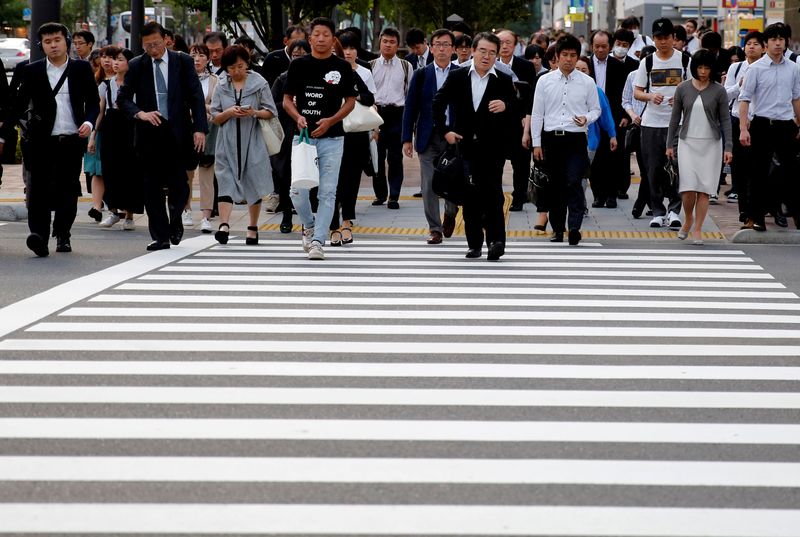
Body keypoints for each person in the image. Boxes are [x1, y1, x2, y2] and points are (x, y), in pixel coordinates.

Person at [117, 21, 207, 251]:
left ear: (165, 39)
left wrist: (199, 128)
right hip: (149, 132)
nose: (153, 49)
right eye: (147, 46)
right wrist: (140, 114)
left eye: (156, 44)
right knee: (151, 187)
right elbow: (123, 98)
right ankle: (160, 235)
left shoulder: (182, 61)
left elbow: (196, 96)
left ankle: (175, 219)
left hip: (177, 131)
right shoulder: (137, 65)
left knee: (179, 185)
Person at [14, 22, 99, 256]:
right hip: (41, 142)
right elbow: (19, 106)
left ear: (66, 42)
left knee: (67, 190)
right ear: (41, 45)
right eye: (48, 42)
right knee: (37, 191)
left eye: (57, 40)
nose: (53, 45)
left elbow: (93, 103)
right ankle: (39, 236)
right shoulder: (32, 71)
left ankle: (63, 234)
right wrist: (23, 129)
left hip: (71, 139)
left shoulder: (81, 69)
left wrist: (89, 123)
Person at [433, 32, 517, 260]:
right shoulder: (458, 76)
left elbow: (517, 111)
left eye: (492, 53)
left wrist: (506, 106)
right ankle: (475, 243)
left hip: (493, 149)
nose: (487, 56)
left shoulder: (503, 79)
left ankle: (497, 241)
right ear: (472, 51)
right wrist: (445, 131)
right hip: (465, 147)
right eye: (482, 51)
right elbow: (437, 103)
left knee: (493, 194)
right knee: (470, 196)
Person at [283, 17, 356, 260]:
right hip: (303, 137)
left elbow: (350, 101)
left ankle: (317, 241)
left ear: (332, 37)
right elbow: (286, 100)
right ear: (310, 37)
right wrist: (298, 116)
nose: (321, 38)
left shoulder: (343, 67)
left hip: (333, 138)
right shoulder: (298, 65)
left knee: (327, 192)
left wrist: (331, 120)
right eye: (317, 34)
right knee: (297, 191)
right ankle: (309, 224)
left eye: (326, 34)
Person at [527, 35, 601, 246]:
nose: (569, 59)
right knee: (555, 186)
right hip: (551, 139)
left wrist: (586, 118)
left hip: (576, 139)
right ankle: (558, 229)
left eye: (573, 55)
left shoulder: (587, 82)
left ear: (578, 57)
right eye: (565, 55)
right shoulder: (544, 80)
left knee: (573, 182)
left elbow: (596, 109)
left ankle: (575, 227)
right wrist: (537, 143)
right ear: (556, 57)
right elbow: (537, 113)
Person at [210, 45, 277, 246]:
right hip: (226, 141)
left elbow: (271, 111)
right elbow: (215, 116)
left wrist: (253, 113)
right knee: (225, 180)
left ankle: (253, 227)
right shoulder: (221, 85)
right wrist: (229, 112)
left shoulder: (259, 83)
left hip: (253, 139)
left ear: (247, 64)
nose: (236, 71)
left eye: (240, 66)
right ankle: (224, 225)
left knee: (252, 181)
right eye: (232, 68)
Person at [666, 50, 732, 245]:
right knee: (687, 189)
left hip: (711, 144)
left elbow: (725, 120)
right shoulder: (682, 88)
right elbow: (674, 118)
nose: (703, 71)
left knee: (704, 189)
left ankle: (697, 228)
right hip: (687, 143)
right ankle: (688, 219)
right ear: (694, 68)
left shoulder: (719, 91)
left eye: (707, 68)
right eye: (700, 67)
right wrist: (670, 144)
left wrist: (728, 147)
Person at [738, 22, 800, 231]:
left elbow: (797, 98)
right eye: (773, 39)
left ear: (786, 42)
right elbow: (744, 99)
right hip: (762, 124)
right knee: (758, 173)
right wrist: (744, 129)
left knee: (791, 172)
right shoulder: (755, 69)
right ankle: (756, 218)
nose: (777, 44)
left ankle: (795, 215)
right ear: (766, 44)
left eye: (781, 39)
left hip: (786, 125)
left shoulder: (794, 68)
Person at [402, 28, 460, 245]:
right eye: (438, 44)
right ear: (431, 47)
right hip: (427, 136)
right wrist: (407, 138)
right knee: (428, 185)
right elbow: (410, 108)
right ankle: (434, 228)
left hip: (453, 136)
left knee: (453, 181)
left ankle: (451, 213)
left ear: (453, 49)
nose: (442, 49)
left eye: (446, 44)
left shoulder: (460, 73)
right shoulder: (421, 74)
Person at [633, 17, 689, 230]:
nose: (662, 42)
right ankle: (657, 211)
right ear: (653, 39)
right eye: (658, 38)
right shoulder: (647, 62)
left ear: (674, 38)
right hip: (651, 124)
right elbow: (637, 92)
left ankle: (675, 211)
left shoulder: (685, 61)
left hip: (678, 124)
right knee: (653, 169)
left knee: (676, 168)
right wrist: (650, 96)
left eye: (666, 37)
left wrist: (682, 98)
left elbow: (695, 88)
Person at [328, 31, 377, 246]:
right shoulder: (310, 72)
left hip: (353, 134)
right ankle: (332, 226)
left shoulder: (347, 71)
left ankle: (347, 222)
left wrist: (352, 95)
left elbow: (369, 97)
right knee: (331, 182)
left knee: (351, 181)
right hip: (327, 132)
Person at [95, 47, 142, 231]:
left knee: (130, 171)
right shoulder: (105, 85)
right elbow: (100, 112)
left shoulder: (136, 85)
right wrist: (93, 137)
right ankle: (113, 211)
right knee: (110, 170)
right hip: (110, 129)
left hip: (131, 128)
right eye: (114, 59)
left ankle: (129, 215)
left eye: (120, 59)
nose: (116, 63)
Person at [587, 30, 633, 207]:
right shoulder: (585, 65)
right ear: (592, 46)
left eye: (604, 46)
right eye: (597, 46)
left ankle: (612, 195)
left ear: (610, 46)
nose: (600, 50)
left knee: (614, 157)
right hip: (591, 117)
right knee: (595, 157)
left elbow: (626, 94)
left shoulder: (618, 65)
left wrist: (624, 115)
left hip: (614, 117)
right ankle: (598, 194)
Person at [370, 27, 414, 209]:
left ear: (398, 45)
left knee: (395, 158)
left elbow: (410, 94)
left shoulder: (406, 66)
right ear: (380, 42)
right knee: (376, 157)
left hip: (398, 114)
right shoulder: (371, 65)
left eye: (392, 42)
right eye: (385, 41)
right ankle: (380, 194)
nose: (388, 45)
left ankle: (394, 196)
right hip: (375, 114)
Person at [725, 31, 764, 227]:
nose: (751, 47)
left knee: (757, 169)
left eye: (756, 44)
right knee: (739, 169)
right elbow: (726, 94)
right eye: (749, 43)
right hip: (736, 121)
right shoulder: (736, 67)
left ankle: (758, 211)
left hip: (758, 122)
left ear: (763, 48)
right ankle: (743, 210)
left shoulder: (767, 68)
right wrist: (740, 86)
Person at [270, 39, 310, 234]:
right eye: (295, 55)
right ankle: (287, 213)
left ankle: (307, 218)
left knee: (309, 175)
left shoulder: (316, 77)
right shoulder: (283, 78)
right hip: (287, 134)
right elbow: (271, 105)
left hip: (310, 133)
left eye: (303, 55)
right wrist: (289, 105)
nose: (299, 58)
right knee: (285, 175)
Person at [496, 29, 538, 212]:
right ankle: (495, 196)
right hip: (495, 123)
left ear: (515, 45)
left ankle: (519, 197)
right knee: (494, 162)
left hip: (519, 123)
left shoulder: (525, 66)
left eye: (508, 42)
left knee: (520, 164)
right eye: (501, 42)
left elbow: (530, 97)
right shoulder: (489, 64)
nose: (504, 46)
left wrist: (526, 120)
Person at [188, 43, 219, 234]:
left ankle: (206, 216)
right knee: (186, 174)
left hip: (209, 129)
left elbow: (217, 105)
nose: (197, 59)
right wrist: (201, 108)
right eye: (193, 55)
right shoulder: (182, 78)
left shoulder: (215, 80)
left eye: (201, 56)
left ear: (207, 59)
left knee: (207, 173)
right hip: (187, 129)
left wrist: (202, 109)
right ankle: (186, 210)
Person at [623, 45, 656, 219]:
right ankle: (649, 203)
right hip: (639, 127)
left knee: (652, 168)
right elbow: (625, 100)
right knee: (645, 169)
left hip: (657, 127)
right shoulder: (632, 76)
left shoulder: (661, 77)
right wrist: (633, 115)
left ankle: (642, 204)